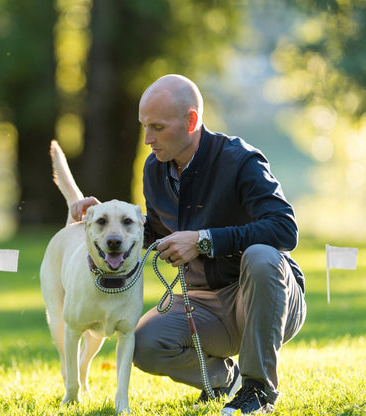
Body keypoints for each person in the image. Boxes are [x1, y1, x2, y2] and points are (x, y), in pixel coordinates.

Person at [71, 74, 306, 415]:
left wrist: (204, 241)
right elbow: (153, 232)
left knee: (261, 257)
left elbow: (285, 230)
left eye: (157, 127)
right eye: (143, 127)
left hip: (263, 296)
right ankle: (224, 379)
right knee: (144, 345)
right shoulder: (155, 168)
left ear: (191, 120)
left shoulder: (241, 160)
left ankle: (257, 391)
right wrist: (101, 215)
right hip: (202, 303)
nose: (147, 139)